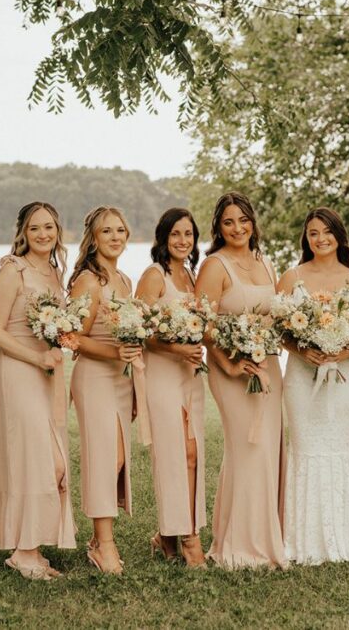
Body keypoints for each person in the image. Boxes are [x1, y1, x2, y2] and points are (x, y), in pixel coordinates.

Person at [195, 192, 286, 568]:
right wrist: (229, 364)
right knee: (247, 447)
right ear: (219, 227)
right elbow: (203, 324)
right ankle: (241, 544)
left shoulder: (265, 262)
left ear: (253, 223)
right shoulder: (214, 266)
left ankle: (266, 536)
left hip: (268, 366)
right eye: (229, 222)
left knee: (267, 447)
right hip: (231, 369)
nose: (237, 228)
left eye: (243, 220)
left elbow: (277, 314)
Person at [0, 202, 76, 579]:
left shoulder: (55, 272)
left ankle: (30, 548)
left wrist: (67, 340)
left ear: (57, 231)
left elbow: (59, 329)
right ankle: (24, 552)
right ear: (23, 232)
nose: (43, 234)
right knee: (36, 458)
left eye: (49, 227)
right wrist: (36, 357)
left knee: (52, 459)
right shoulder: (13, 269)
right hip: (21, 370)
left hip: (50, 371)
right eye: (35, 228)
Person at [276, 207, 349, 565]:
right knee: (304, 448)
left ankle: (343, 536)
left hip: (344, 377)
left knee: (340, 447)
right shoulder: (292, 277)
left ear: (339, 235)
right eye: (313, 232)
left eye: (327, 231)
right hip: (302, 378)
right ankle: (300, 539)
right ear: (306, 238)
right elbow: (278, 330)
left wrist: (347, 348)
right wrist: (301, 349)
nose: (320, 239)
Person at [69, 206, 141, 574]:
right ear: (94, 238)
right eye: (107, 231)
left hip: (121, 379)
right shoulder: (88, 280)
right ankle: (104, 544)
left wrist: (134, 382)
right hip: (95, 377)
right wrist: (115, 353)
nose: (115, 237)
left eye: (120, 230)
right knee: (106, 458)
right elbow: (72, 337)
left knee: (118, 459)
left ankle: (100, 540)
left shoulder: (124, 280)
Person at [136, 208, 207, 568]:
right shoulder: (154, 275)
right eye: (176, 233)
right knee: (176, 454)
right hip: (163, 373)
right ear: (163, 237)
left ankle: (166, 536)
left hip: (189, 374)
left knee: (193, 454)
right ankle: (190, 539)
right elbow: (139, 331)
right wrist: (177, 348)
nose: (183, 240)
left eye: (188, 234)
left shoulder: (192, 276)